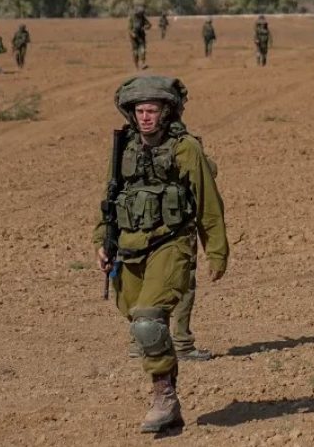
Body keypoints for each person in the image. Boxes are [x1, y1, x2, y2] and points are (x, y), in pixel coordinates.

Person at [94, 75, 229, 433]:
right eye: (139, 110)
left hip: (171, 242)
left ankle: (163, 397)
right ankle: (169, 400)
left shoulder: (186, 149)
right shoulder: (123, 147)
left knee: (149, 320)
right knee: (138, 321)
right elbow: (109, 199)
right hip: (130, 246)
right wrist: (102, 243)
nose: (145, 117)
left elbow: (208, 202)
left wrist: (216, 250)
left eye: (152, 110)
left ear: (166, 112)